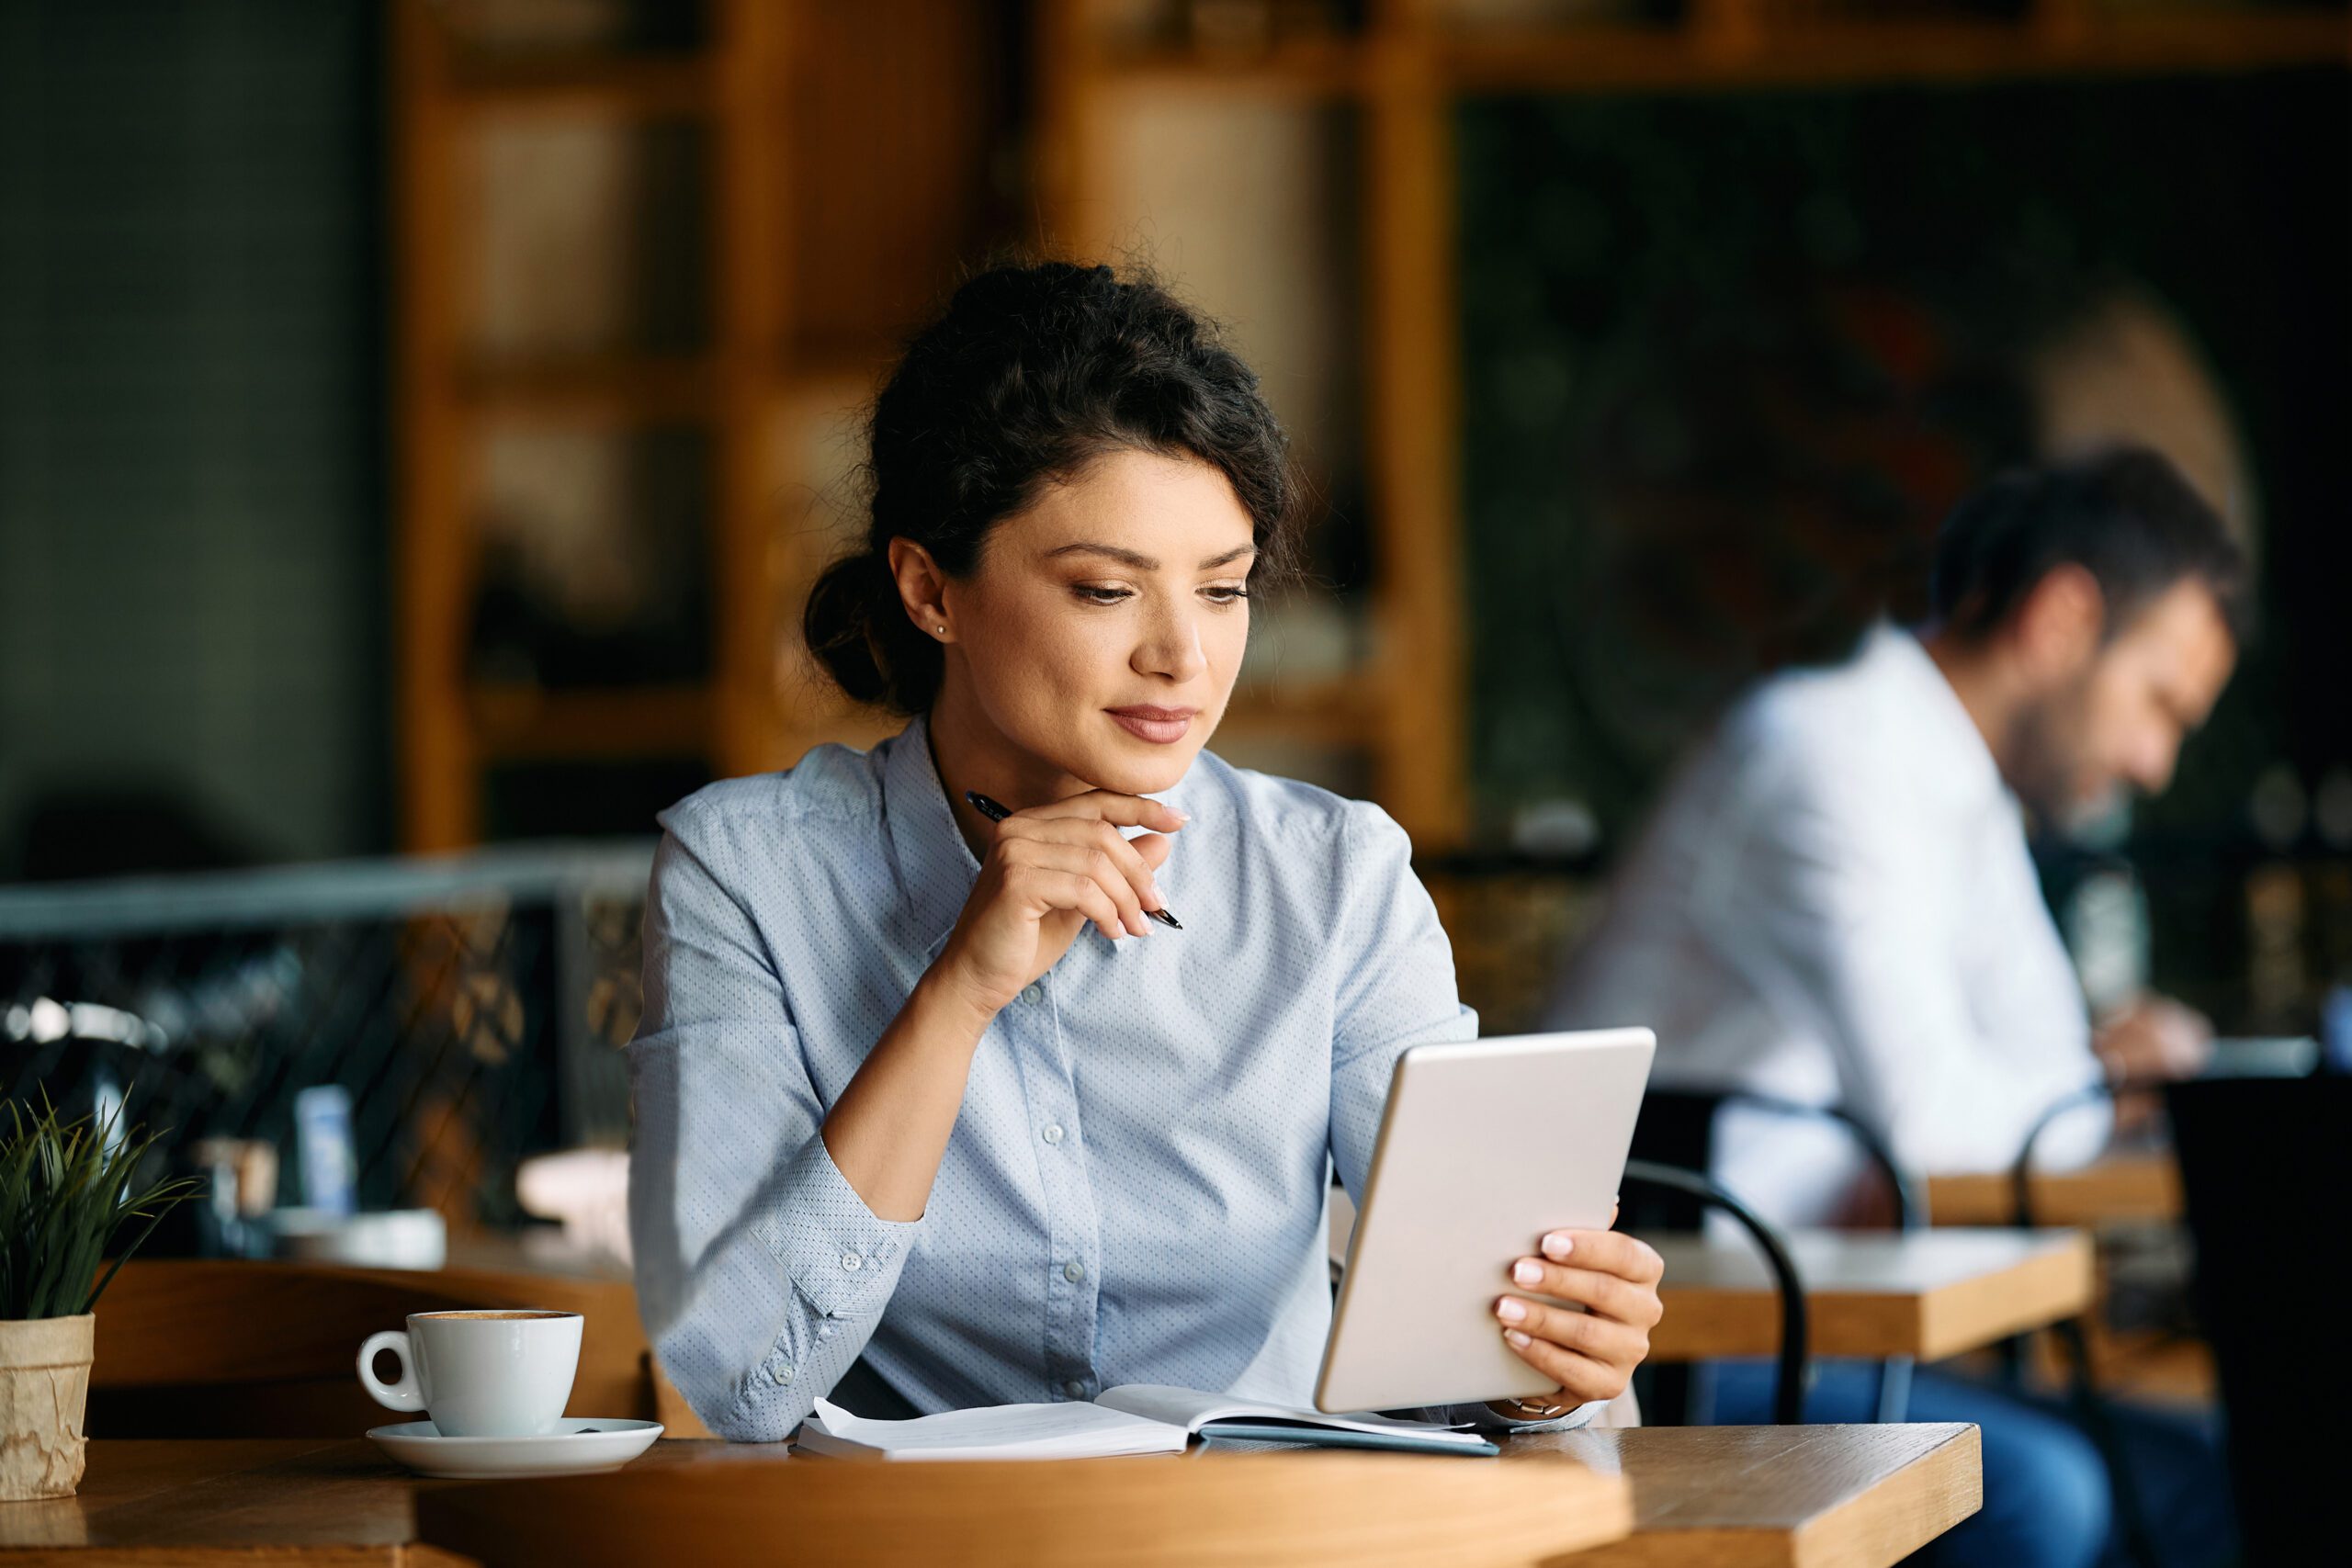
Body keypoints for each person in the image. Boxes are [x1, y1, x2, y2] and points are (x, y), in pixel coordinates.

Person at [628, 261, 1663, 1444]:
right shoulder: (748, 874)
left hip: (1263, 1539)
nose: (1183, 657)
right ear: (930, 590)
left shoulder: (1333, 879)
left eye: (1222, 592)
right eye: (1108, 590)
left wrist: (1547, 1363)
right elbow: (736, 1383)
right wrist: (961, 989)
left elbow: (1507, 1362)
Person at [1547, 446, 2247, 1568]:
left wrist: (2087, 1082)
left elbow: (2041, 1076)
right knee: (2057, 1498)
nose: (2155, 762)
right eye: (2157, 702)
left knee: (2217, 1469)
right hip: (1660, 1347)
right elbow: (1949, 1123)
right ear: (2063, 619)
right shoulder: (1825, 753)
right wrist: (2101, 1084)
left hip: (1816, 1313)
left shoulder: (1962, 793)